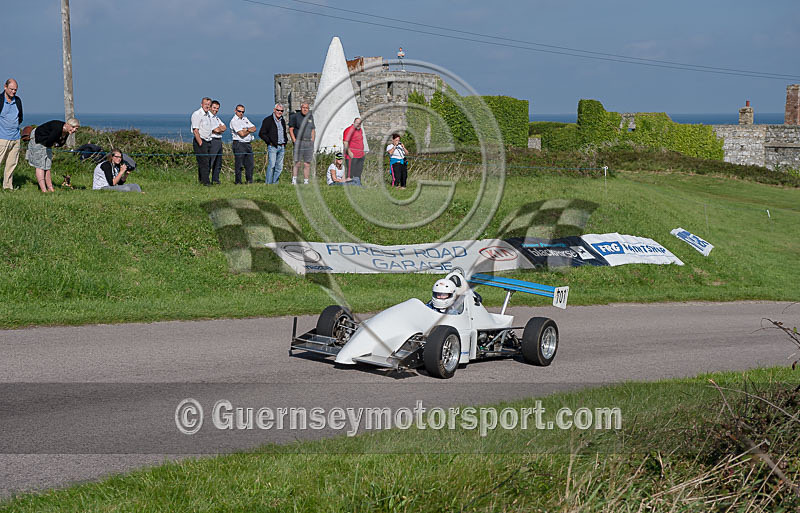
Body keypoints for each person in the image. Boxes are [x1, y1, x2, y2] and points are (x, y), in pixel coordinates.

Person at [25, 118, 79, 193]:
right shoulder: (57, 129)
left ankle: (50, 188)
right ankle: (44, 190)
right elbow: (49, 142)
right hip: (38, 139)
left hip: (47, 142)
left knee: (47, 165)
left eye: (76, 129)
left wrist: (56, 143)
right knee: (40, 165)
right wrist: (55, 143)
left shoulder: (66, 132)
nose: (73, 130)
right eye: (73, 127)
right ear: (67, 125)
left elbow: (60, 143)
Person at [0, 79, 22, 191]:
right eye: (11, 89)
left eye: (15, 90)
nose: (13, 92)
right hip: (2, 138)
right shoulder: (0, 100)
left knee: (11, 164)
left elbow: (20, 117)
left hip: (16, 138)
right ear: (5, 87)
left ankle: (8, 187)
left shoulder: (17, 101)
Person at [259, 103, 287, 184]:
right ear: (274, 110)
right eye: (278, 110)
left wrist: (285, 141)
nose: (279, 112)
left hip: (282, 147)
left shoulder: (282, 120)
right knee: (272, 166)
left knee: (280, 167)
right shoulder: (268, 120)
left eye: (281, 111)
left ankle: (275, 183)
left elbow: (284, 132)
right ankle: (268, 183)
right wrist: (269, 142)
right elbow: (262, 133)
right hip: (273, 147)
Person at [289, 102, 315, 185]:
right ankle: (294, 180)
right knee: (297, 162)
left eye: (306, 108)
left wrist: (312, 140)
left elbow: (313, 129)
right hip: (299, 141)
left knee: (307, 163)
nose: (305, 109)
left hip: (308, 142)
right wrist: (294, 140)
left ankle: (306, 181)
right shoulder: (295, 116)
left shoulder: (310, 117)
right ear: (301, 108)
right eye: (303, 107)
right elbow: (291, 129)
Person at [229, 104, 256, 184]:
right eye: (239, 111)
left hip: (248, 143)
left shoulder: (245, 119)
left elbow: (254, 128)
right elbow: (241, 134)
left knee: (250, 164)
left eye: (242, 112)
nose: (241, 113)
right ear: (235, 111)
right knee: (239, 164)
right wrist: (248, 130)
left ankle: (249, 180)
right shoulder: (234, 121)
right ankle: (238, 181)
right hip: (239, 144)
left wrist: (246, 129)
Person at [191, 97, 212, 185]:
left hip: (208, 141)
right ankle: (206, 182)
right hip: (200, 141)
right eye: (205, 104)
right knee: (204, 163)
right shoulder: (197, 114)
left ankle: (202, 180)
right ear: (201, 104)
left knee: (207, 162)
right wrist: (200, 143)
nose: (207, 106)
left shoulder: (208, 115)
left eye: (209, 104)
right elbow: (195, 130)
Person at [206, 100, 226, 185]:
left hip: (219, 141)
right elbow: (215, 130)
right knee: (211, 161)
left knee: (218, 162)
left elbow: (224, 127)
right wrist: (218, 129)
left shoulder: (217, 118)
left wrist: (219, 129)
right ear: (210, 107)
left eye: (217, 108)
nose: (216, 110)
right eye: (214, 108)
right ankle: (206, 180)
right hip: (212, 140)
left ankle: (215, 179)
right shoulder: (208, 117)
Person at [343, 117, 365, 185]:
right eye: (357, 123)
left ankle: (358, 185)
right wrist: (349, 152)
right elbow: (345, 142)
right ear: (354, 122)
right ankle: (350, 186)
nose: (358, 125)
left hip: (360, 155)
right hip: (352, 156)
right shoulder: (349, 130)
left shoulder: (360, 130)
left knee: (358, 172)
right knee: (351, 173)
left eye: (360, 123)